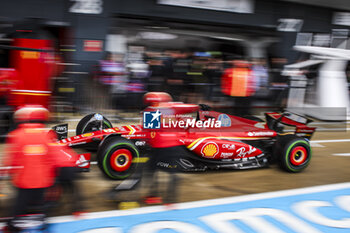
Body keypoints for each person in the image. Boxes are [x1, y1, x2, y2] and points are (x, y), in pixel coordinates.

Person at [2, 105, 82, 231]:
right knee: (44, 202)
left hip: (26, 179)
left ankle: (13, 226)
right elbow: (51, 157)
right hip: (44, 178)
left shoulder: (17, 135)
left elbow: (13, 158)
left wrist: (9, 173)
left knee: (20, 204)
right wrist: (50, 178)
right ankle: (44, 221)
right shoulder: (46, 135)